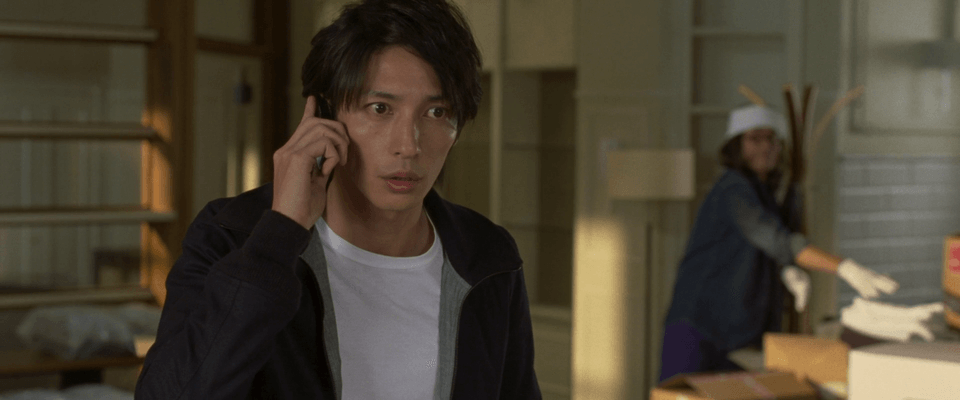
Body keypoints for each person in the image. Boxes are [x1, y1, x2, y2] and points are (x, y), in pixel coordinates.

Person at [134, 1, 541, 398]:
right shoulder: (233, 235)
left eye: (436, 113)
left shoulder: (488, 256)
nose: (409, 145)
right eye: (380, 108)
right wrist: (278, 236)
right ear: (324, 115)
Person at [658, 104, 899, 382]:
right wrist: (844, 267)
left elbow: (768, 246)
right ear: (736, 146)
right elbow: (778, 240)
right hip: (699, 328)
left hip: (736, 336)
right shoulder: (733, 189)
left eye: (771, 140)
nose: (766, 147)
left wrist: (786, 269)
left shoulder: (764, 193)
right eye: (755, 139)